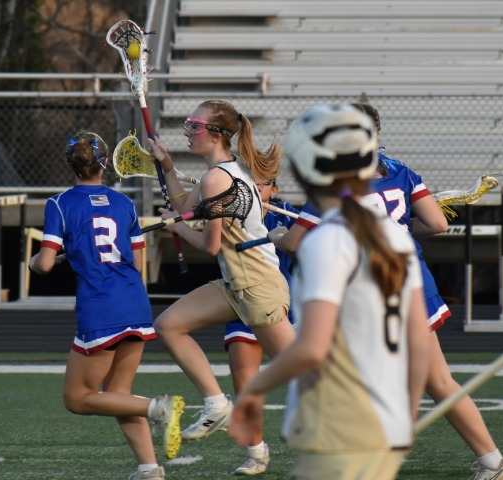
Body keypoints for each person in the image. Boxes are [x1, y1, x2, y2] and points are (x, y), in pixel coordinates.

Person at [272, 103, 503, 480]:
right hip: (415, 283)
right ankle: (493, 463)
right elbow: (437, 224)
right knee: (437, 381)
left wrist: (274, 234)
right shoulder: (400, 170)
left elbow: (294, 243)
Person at [229, 103, 432, 480]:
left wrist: (253, 390)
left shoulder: (328, 240)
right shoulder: (395, 236)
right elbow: (418, 340)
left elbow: (312, 347)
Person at [146, 99, 296, 474]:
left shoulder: (217, 178)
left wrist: (176, 225)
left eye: (195, 126)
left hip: (257, 286)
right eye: (188, 124)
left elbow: (209, 245)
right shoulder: (223, 171)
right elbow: (183, 203)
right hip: (235, 285)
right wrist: (168, 167)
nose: (188, 132)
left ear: (216, 135)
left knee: (304, 373)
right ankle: (216, 404)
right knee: (168, 324)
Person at [29, 131, 184, 480]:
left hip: (100, 307)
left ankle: (157, 408)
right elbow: (137, 264)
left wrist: (34, 261)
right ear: (104, 164)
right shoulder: (124, 203)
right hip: (135, 302)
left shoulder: (60, 204)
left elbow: (45, 264)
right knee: (118, 394)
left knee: (77, 398)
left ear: (70, 164)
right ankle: (149, 468)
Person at [223, 176, 300, 475]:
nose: (255, 189)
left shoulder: (286, 213)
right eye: (249, 182)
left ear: (274, 189)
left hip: (276, 303)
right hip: (242, 298)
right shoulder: (231, 211)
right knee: (245, 382)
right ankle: (256, 452)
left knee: (304, 378)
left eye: (262, 184)